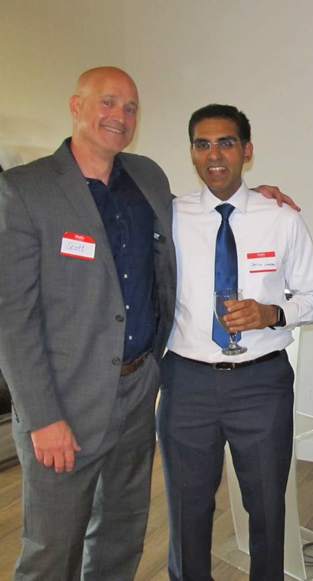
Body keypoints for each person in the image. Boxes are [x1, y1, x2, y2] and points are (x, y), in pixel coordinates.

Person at [0, 66, 177, 580]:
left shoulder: (147, 178)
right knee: (53, 549)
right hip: (64, 402)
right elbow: (12, 316)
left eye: (130, 107)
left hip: (139, 387)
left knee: (122, 532)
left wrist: (257, 198)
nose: (119, 116)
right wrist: (41, 416)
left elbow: (190, 224)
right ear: (76, 107)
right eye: (107, 102)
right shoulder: (25, 189)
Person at [157, 103, 313, 581]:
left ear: (247, 152)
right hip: (187, 382)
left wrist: (271, 314)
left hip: (261, 383)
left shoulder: (282, 219)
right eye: (202, 144)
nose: (214, 155)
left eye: (226, 143)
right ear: (192, 152)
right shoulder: (169, 217)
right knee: (188, 511)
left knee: (269, 508)